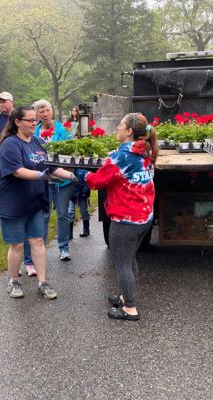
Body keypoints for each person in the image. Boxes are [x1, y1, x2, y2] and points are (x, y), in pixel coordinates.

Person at [75, 112, 159, 321]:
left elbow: (96, 182)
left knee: (122, 264)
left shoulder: (122, 156)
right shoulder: (144, 151)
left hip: (126, 220)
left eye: (120, 125)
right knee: (129, 260)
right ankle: (125, 296)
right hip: (144, 217)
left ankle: (130, 308)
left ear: (129, 131)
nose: (118, 128)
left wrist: (80, 172)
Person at [0, 106, 77, 299]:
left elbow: (52, 168)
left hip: (35, 201)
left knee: (38, 240)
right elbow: (17, 171)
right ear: (17, 122)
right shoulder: (10, 144)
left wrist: (74, 177)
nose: (34, 123)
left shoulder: (38, 142)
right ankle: (13, 281)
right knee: (16, 245)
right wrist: (42, 176)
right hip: (13, 203)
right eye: (30, 120)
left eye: (35, 120)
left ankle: (43, 282)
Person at [28, 99, 74, 262]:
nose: (45, 114)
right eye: (41, 112)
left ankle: (63, 248)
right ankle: (42, 249)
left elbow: (71, 153)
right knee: (44, 216)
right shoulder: (34, 133)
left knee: (62, 214)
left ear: (52, 111)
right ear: (37, 114)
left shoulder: (65, 130)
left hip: (63, 180)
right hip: (43, 180)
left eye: (47, 110)